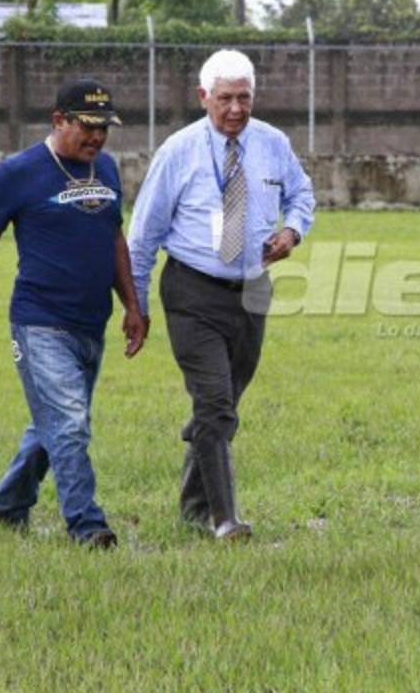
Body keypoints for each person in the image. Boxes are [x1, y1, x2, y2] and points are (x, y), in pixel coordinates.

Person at [0, 78, 147, 550]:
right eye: (87, 127)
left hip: (92, 322)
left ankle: (7, 507)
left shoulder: (105, 170)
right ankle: (87, 527)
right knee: (69, 423)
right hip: (39, 321)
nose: (96, 138)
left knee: (52, 424)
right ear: (58, 121)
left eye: (104, 129)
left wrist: (133, 305)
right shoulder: (18, 174)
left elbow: (114, 240)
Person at [128, 49, 316, 540]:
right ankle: (224, 518)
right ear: (203, 97)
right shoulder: (178, 151)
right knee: (215, 404)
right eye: (226, 98)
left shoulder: (273, 144)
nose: (236, 109)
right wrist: (137, 305)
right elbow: (143, 236)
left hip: (253, 289)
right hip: (192, 289)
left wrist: (292, 231)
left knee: (222, 405)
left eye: (244, 98)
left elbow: (302, 194)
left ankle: (192, 504)